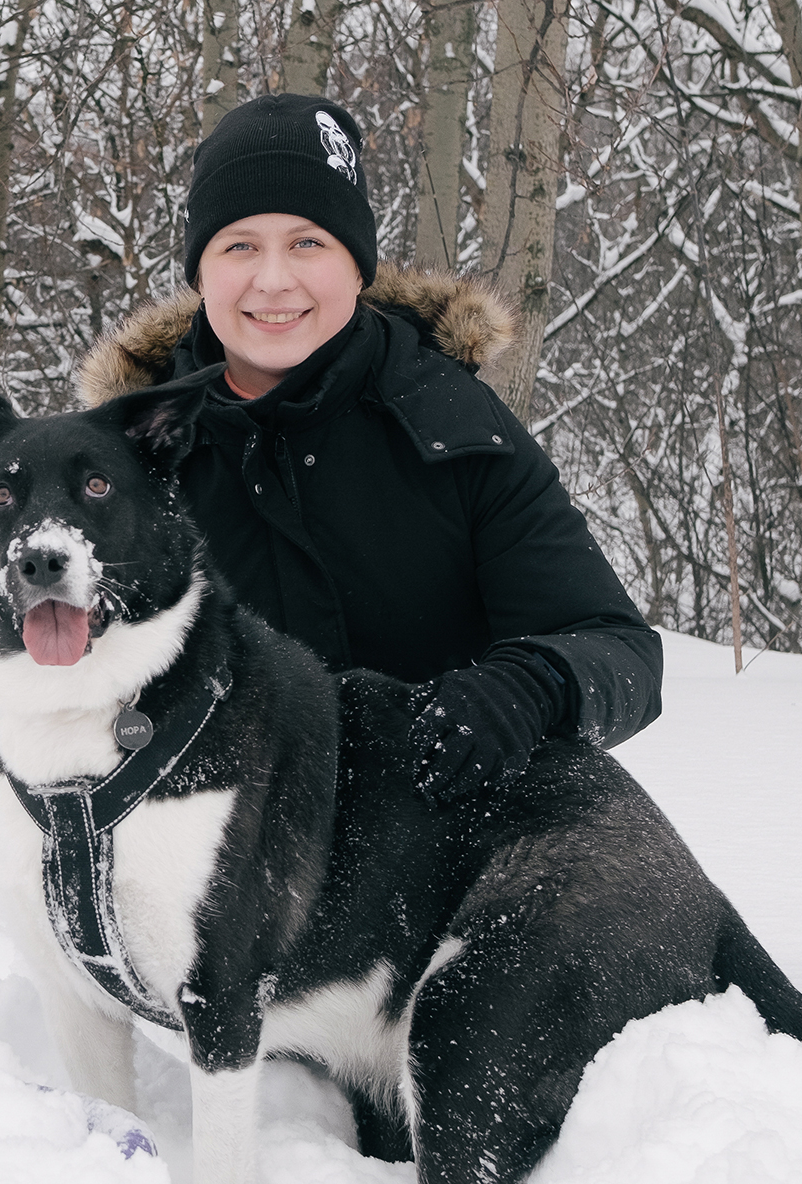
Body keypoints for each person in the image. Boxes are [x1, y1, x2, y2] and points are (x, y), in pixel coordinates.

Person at [75, 94, 661, 800]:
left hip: (432, 848)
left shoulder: (456, 426)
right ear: (202, 274)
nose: (273, 280)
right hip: (210, 861)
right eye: (239, 246)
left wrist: (531, 686)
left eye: (308, 242)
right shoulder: (123, 464)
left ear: (358, 265)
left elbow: (619, 649)